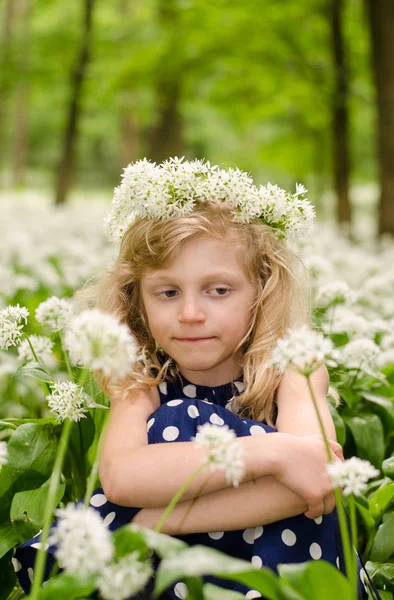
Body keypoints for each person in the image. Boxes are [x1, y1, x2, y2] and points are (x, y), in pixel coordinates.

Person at [14, 158, 372, 599]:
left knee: (183, 419)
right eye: (167, 292)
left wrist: (155, 523)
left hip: (281, 569)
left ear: (262, 290)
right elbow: (122, 479)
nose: (190, 314)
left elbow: (313, 486)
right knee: (180, 415)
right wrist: (276, 452)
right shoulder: (140, 371)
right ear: (138, 300)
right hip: (173, 576)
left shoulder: (294, 366)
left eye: (218, 290)